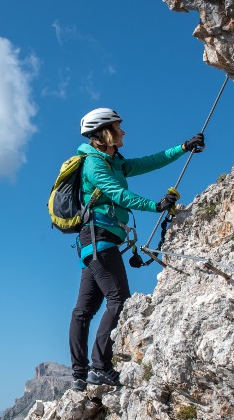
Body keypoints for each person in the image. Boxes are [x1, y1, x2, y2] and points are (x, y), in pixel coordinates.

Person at [69, 107, 205, 389]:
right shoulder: (94, 164)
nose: (124, 132)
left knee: (84, 310)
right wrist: (154, 206)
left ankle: (80, 375)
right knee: (118, 299)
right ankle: (99, 367)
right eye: (119, 127)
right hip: (100, 239)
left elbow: (148, 163)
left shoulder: (114, 162)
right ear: (106, 132)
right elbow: (118, 194)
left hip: (93, 243)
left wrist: (182, 147)